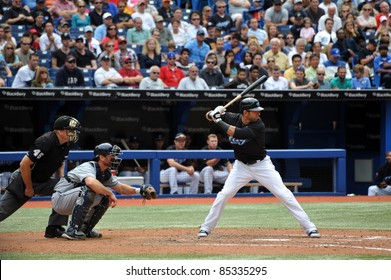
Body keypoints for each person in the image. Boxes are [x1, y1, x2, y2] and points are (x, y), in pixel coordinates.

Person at [198, 98, 321, 238]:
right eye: (255, 111)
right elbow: (208, 116)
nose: (259, 114)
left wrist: (218, 120)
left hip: (262, 165)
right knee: (224, 194)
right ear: (245, 112)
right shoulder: (234, 117)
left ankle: (310, 227)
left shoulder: (259, 125)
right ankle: (206, 227)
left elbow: (236, 133)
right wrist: (215, 112)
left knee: (283, 194)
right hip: (241, 166)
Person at [51, 142, 156, 240]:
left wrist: (139, 190)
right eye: (112, 155)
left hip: (74, 199)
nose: (116, 158)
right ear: (101, 157)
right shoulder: (88, 166)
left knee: (104, 198)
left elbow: (120, 188)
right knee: (90, 190)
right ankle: (72, 230)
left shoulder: (105, 172)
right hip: (60, 199)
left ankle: (84, 230)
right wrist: (110, 193)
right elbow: (91, 183)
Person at [0, 115, 81, 239]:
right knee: (3, 210)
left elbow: (61, 162)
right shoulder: (45, 141)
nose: (74, 133)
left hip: (43, 180)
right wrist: (28, 188)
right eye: (71, 130)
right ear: (60, 131)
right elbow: (24, 164)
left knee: (67, 188)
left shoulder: (67, 143)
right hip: (24, 179)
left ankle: (54, 228)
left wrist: (62, 179)